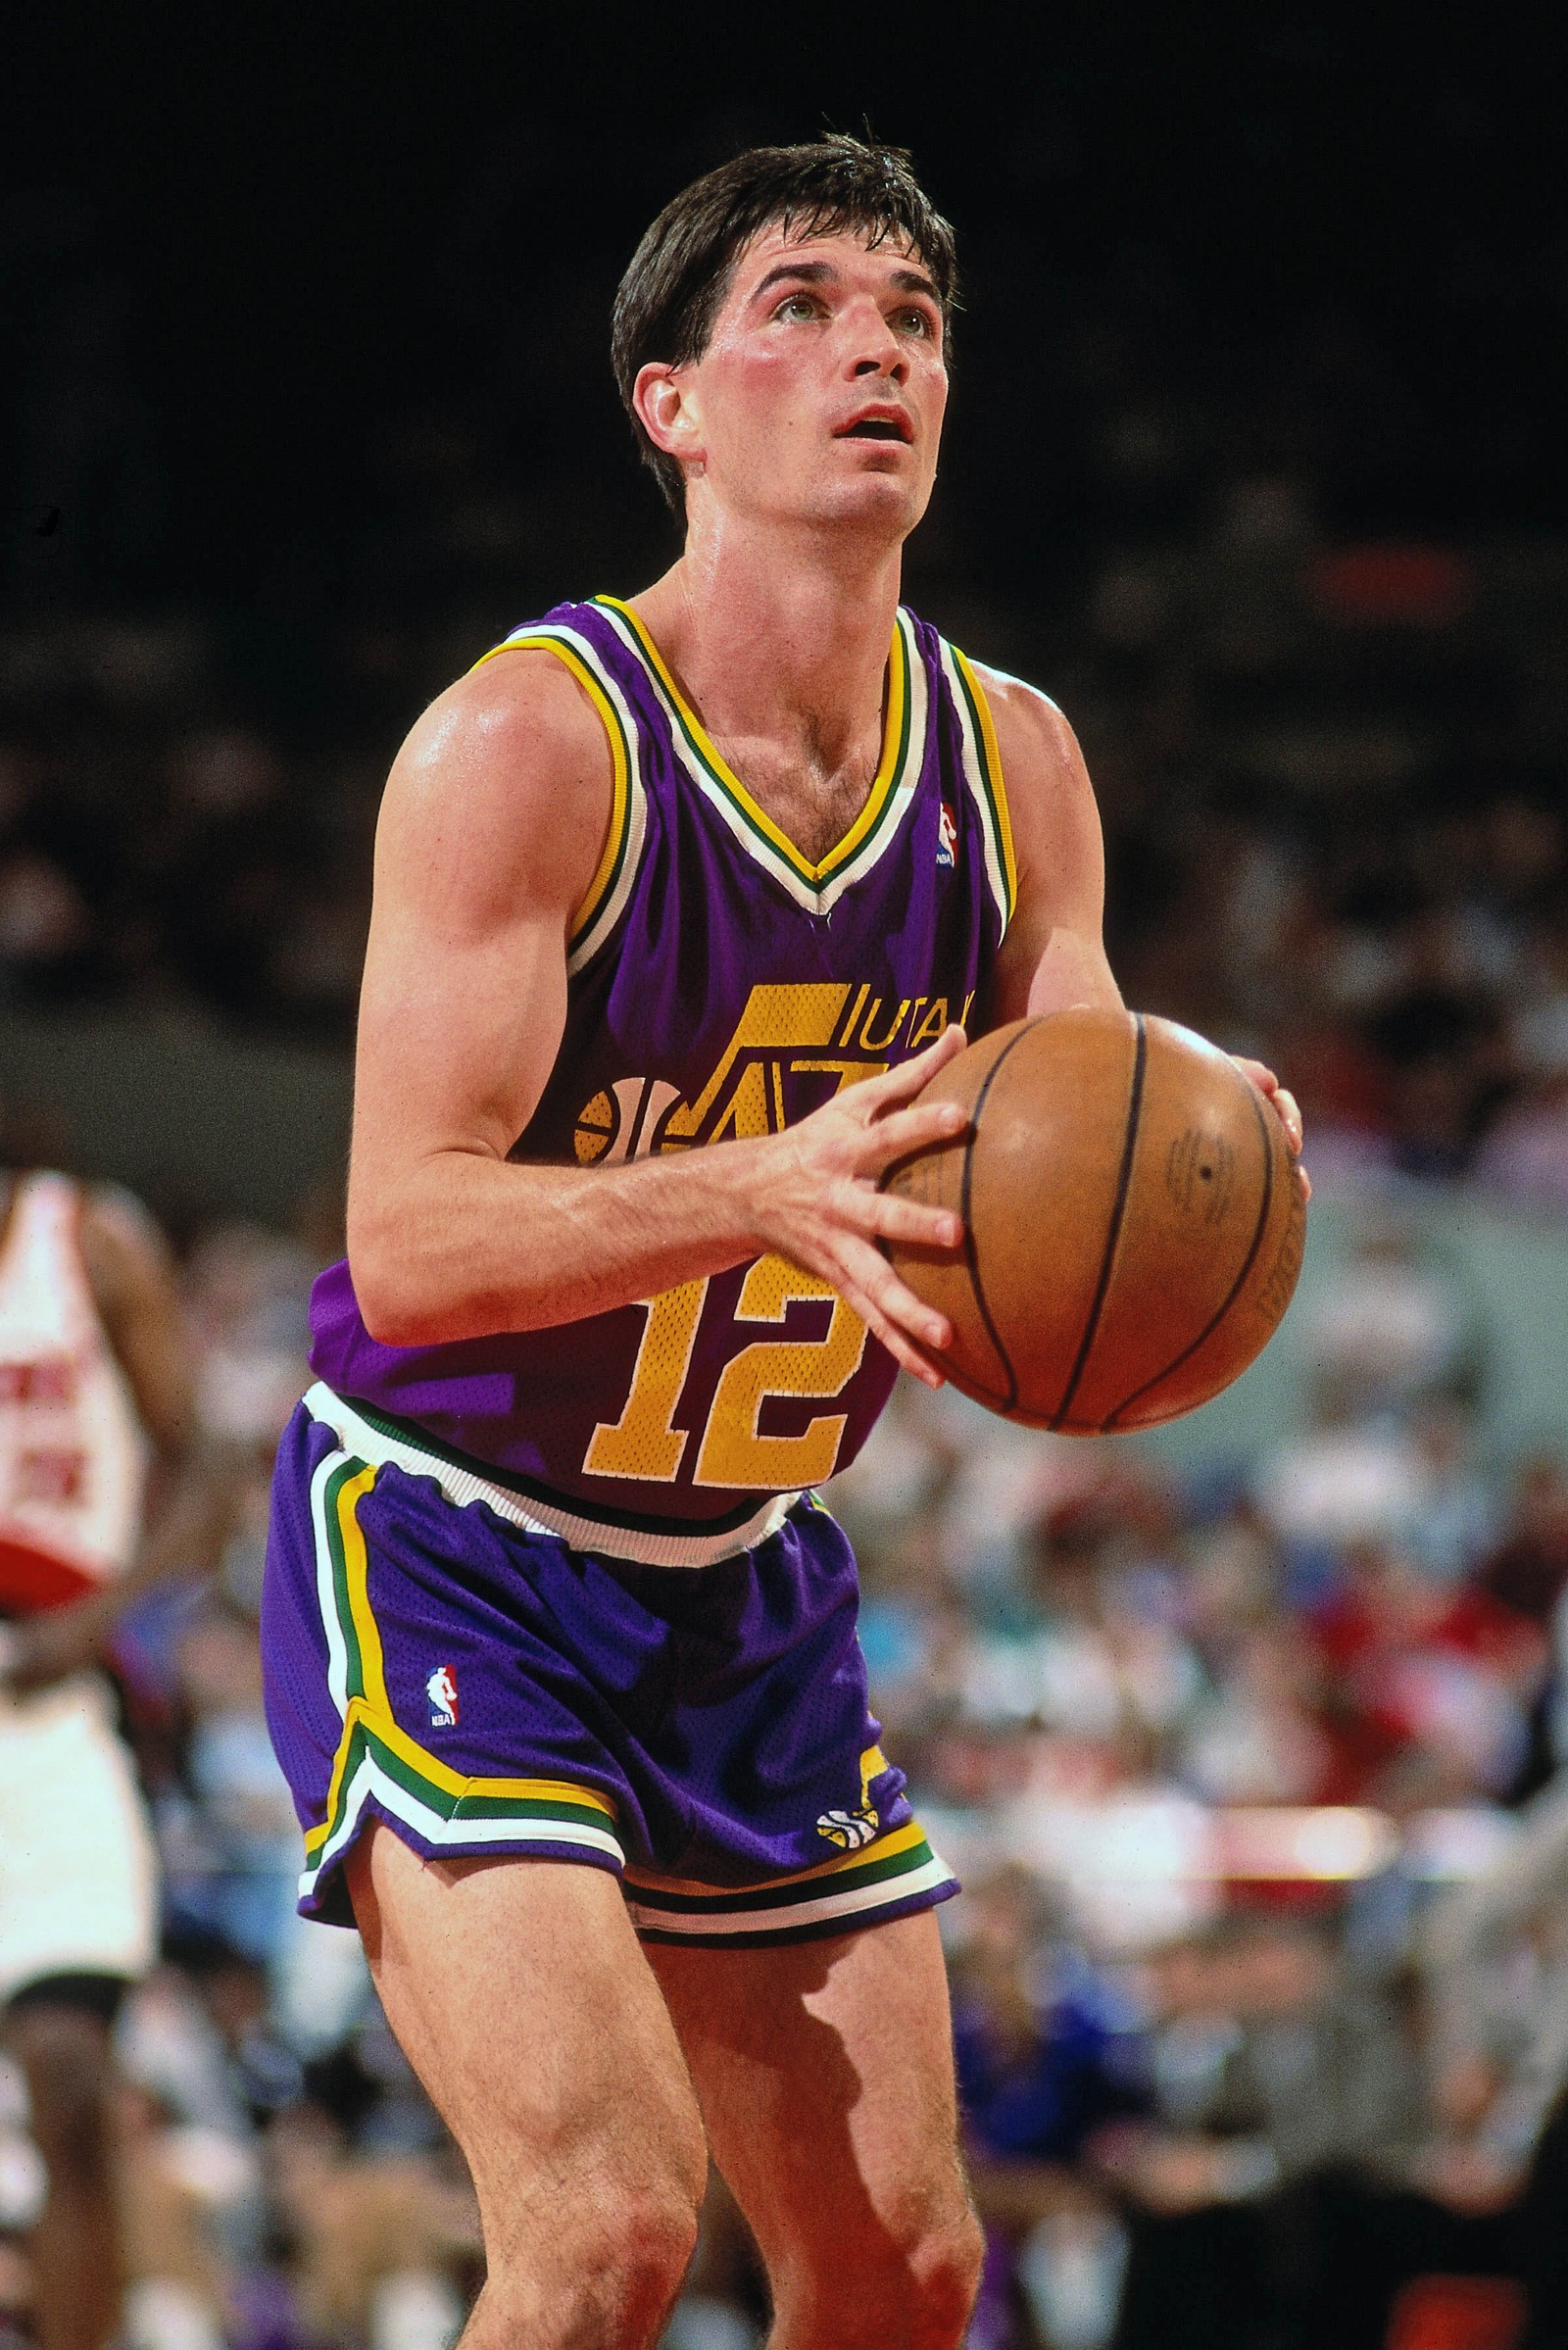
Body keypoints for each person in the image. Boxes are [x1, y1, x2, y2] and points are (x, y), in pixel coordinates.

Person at [261, 135, 1304, 2350]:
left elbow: (1081, 1129)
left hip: (742, 1572)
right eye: (803, 309)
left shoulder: (1013, 761)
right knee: (607, 2232)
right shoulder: (529, 742)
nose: (874, 351)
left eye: (912, 319)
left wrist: (1219, 1149)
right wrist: (750, 1183)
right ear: (670, 403)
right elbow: (406, 1241)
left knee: (907, 2264)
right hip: (455, 1540)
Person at [0, 1152, 212, 2350]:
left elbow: (206, 1470)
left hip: (49, 1703)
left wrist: (100, 1618)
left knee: (73, 2079)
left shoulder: (81, 1242)